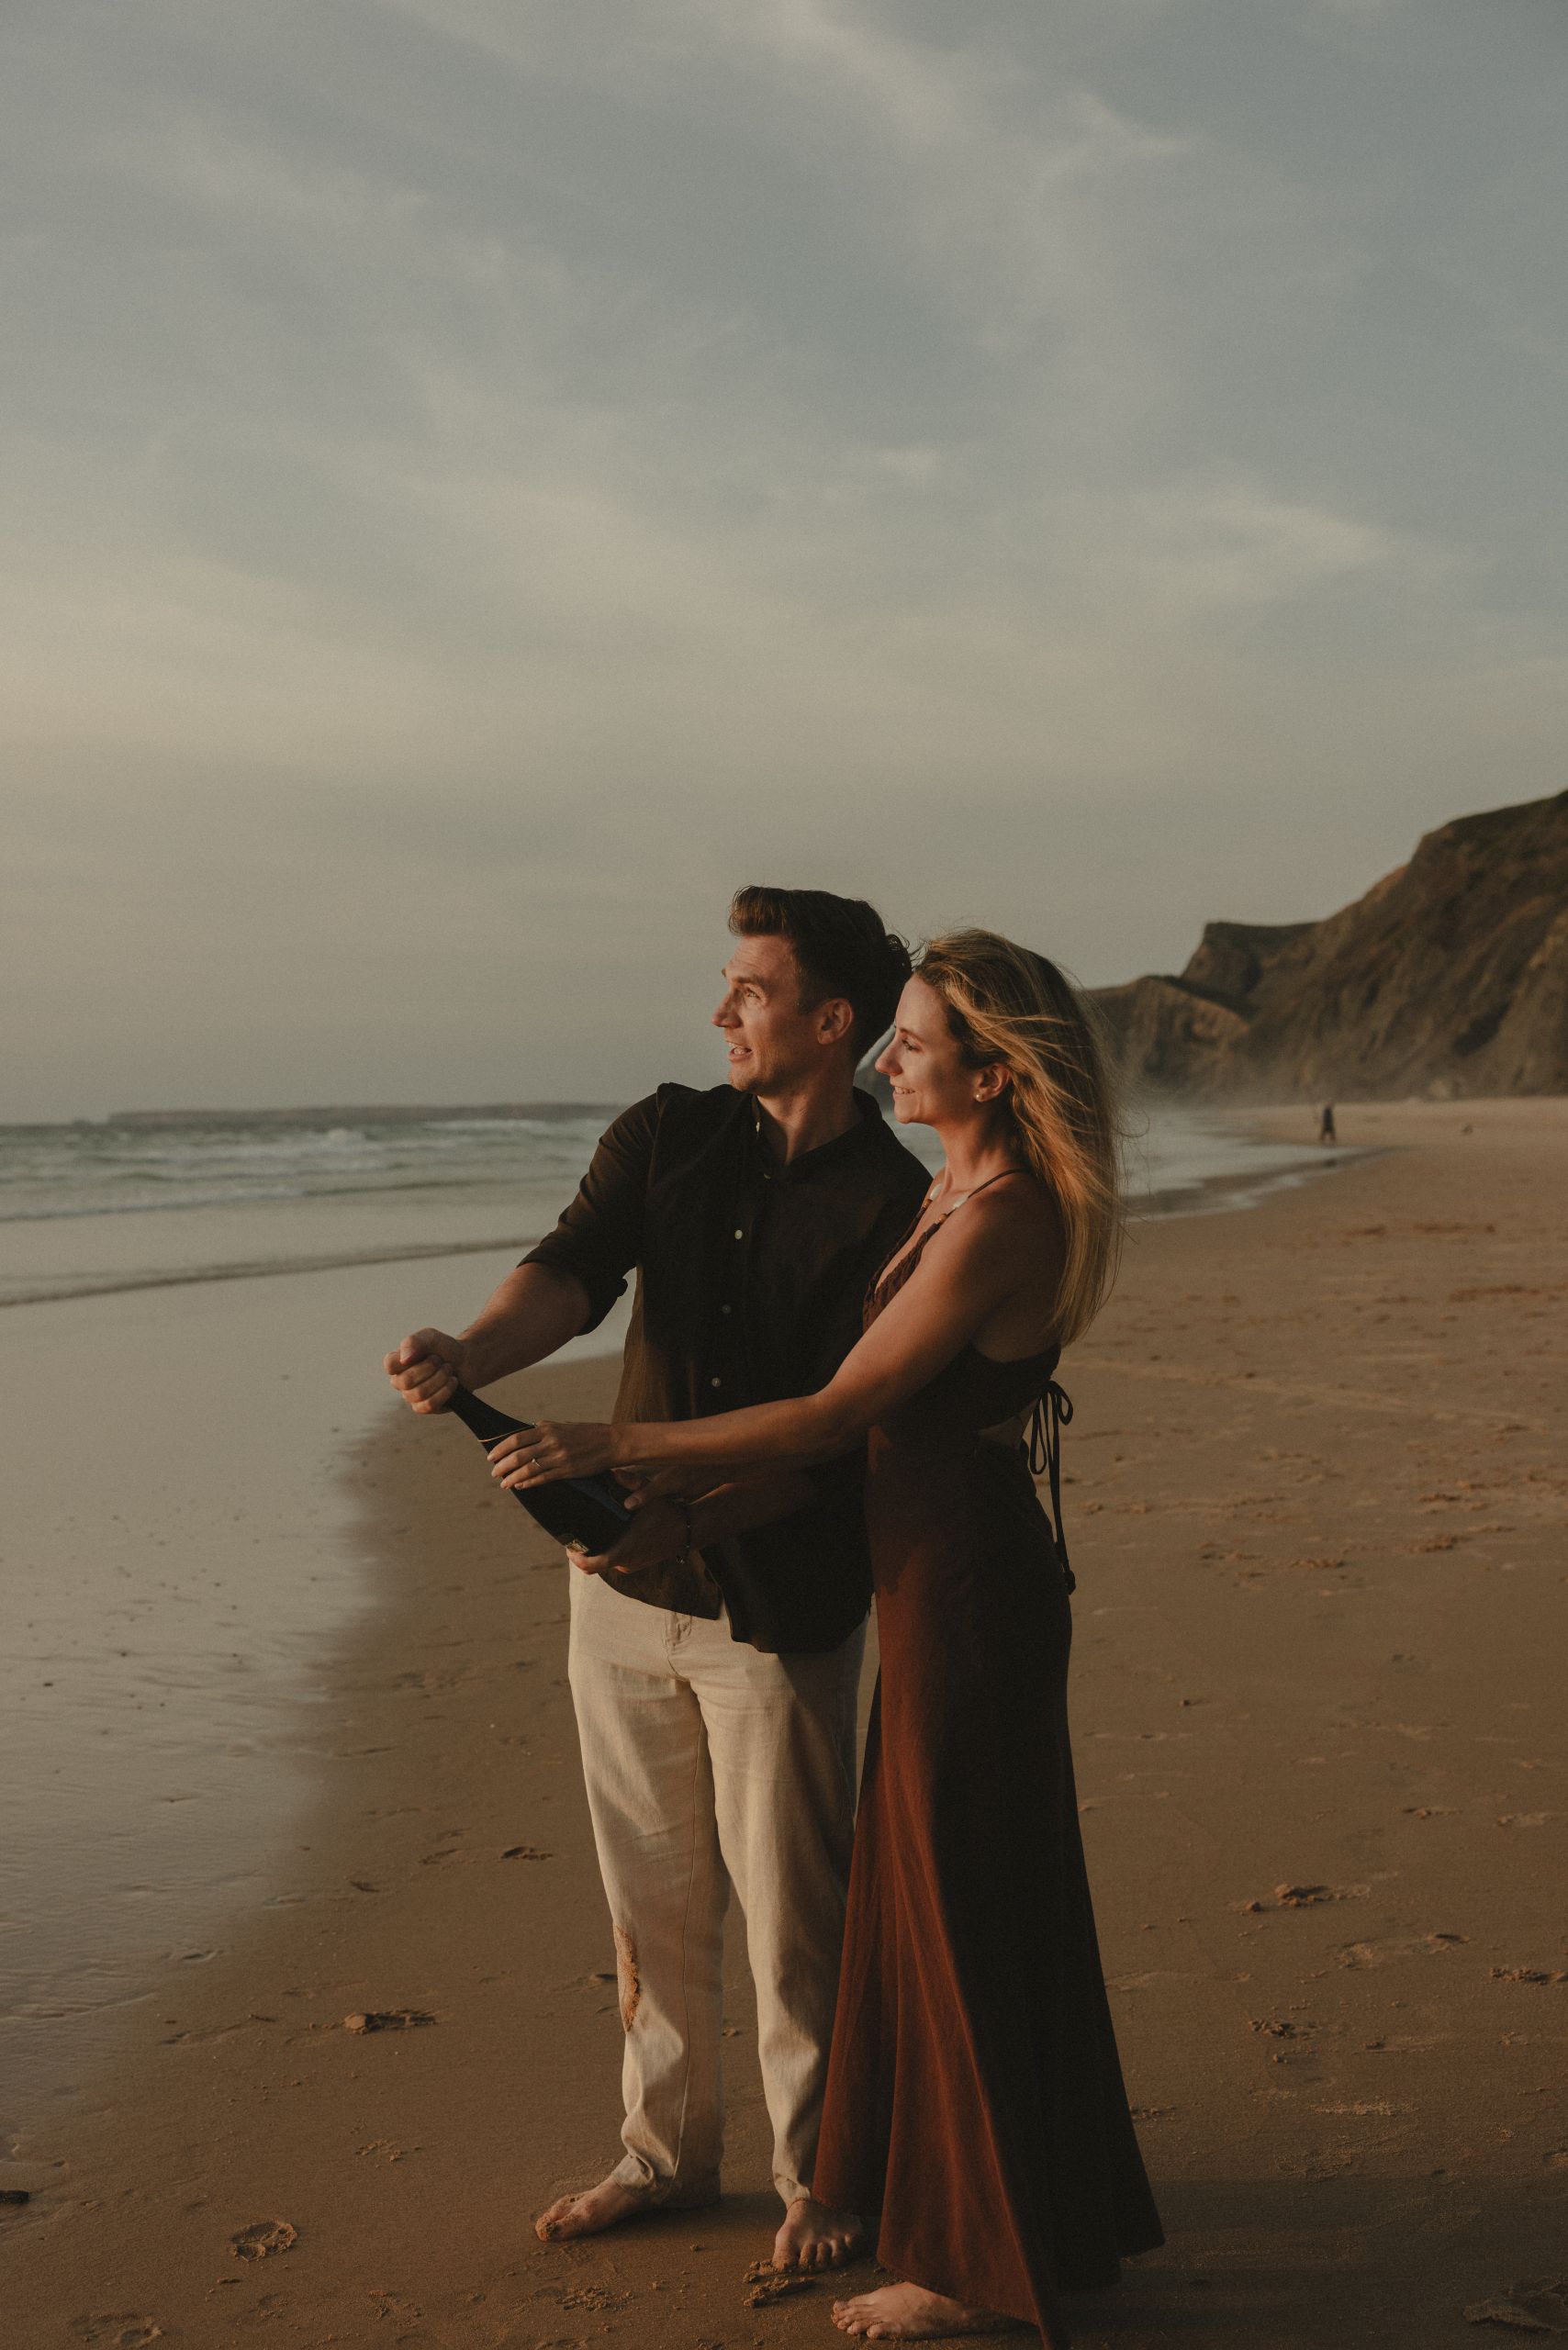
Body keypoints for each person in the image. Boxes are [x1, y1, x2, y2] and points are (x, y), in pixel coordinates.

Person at [493, 931, 1164, 2344]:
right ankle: (1020, 2221)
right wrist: (684, 1518)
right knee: (954, 1901)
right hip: (922, 1573)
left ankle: (967, 2263)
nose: (884, 1062)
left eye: (911, 1044)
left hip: (967, 1588)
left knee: (958, 1907)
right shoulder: (958, 1192)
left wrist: (616, 1441)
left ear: (992, 1072)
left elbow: (836, 1411)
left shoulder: (1001, 1218)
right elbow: (858, 1444)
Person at [384, 887, 928, 2273]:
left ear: (833, 1021)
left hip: (782, 1609)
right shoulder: (668, 1131)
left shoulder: (894, 1203)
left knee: (797, 1921)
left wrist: (695, 1519)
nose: (719, 1012)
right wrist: (472, 1352)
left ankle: (820, 2181)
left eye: (751, 991)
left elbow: (847, 1437)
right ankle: (665, 2157)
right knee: (652, 1906)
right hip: (617, 1596)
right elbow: (573, 1273)